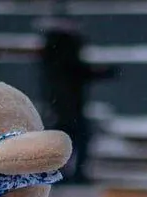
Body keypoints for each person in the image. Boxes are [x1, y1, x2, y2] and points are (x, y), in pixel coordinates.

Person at [38, 9, 118, 184]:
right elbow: (75, 71)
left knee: (68, 139)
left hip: (61, 102)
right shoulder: (64, 46)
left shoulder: (55, 47)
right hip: (67, 103)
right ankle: (71, 174)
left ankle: (64, 173)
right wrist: (102, 73)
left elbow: (73, 72)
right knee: (76, 138)